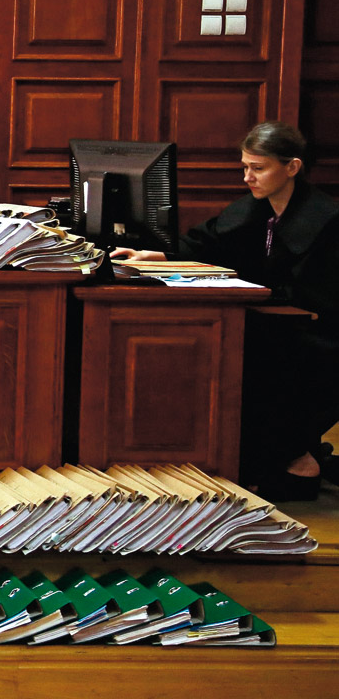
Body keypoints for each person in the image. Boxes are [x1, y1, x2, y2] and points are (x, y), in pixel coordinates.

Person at [115, 122, 339, 500]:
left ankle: (294, 462)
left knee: (257, 357)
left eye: (258, 168)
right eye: (245, 167)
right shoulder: (252, 209)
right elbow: (206, 241)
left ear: (292, 167)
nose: (247, 177)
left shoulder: (326, 220)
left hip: (319, 333)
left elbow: (319, 296)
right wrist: (158, 256)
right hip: (270, 320)